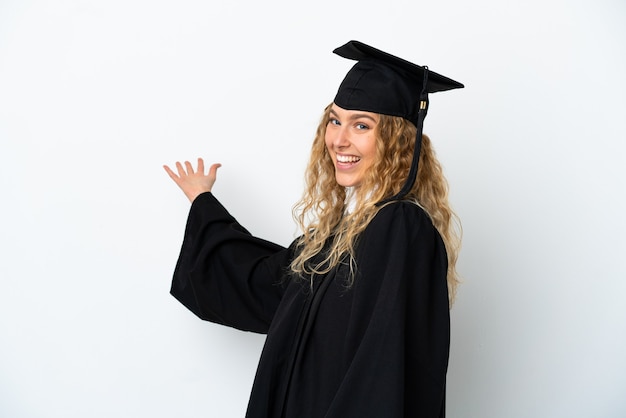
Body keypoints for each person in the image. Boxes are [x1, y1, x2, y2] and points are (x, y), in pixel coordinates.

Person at [164, 40, 463, 418]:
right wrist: (203, 204)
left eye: (362, 125)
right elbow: (264, 284)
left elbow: (382, 366)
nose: (339, 139)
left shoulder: (399, 227)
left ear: (397, 142)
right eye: (335, 120)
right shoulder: (337, 236)